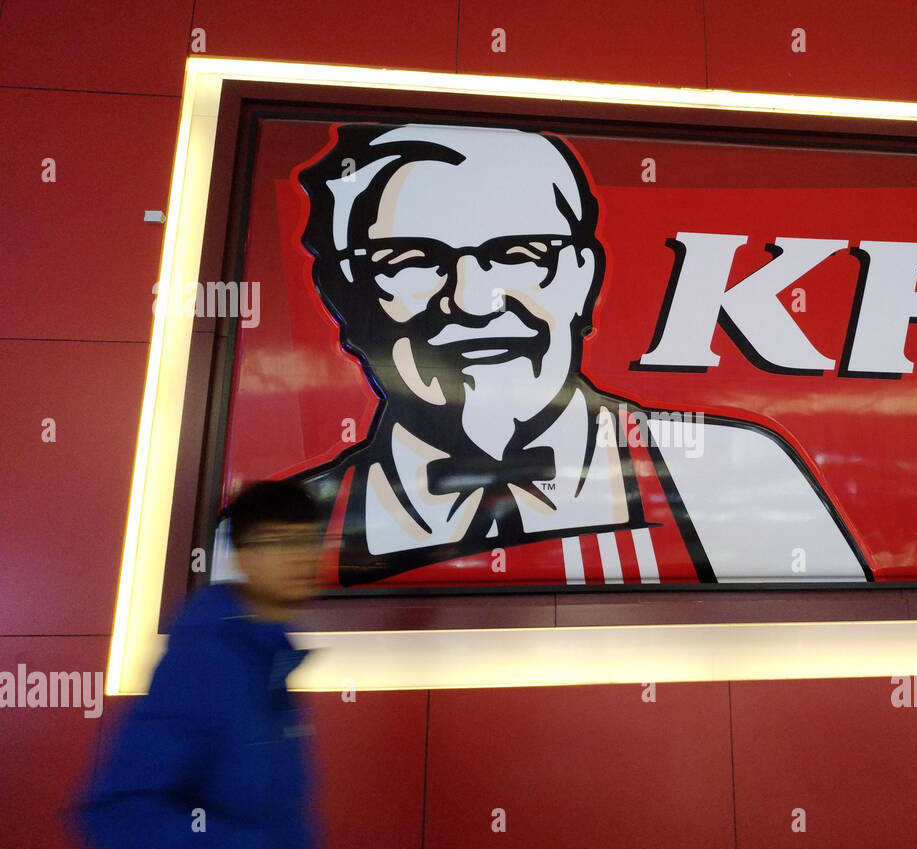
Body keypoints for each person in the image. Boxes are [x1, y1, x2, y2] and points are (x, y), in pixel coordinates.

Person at [274, 122, 871, 589]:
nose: (475, 302)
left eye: (520, 254)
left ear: (582, 279)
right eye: (409, 262)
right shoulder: (285, 530)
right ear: (344, 298)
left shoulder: (730, 469)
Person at [77, 480, 325, 849]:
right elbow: (119, 811)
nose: (298, 557)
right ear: (241, 556)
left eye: (307, 540)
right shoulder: (201, 660)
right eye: (278, 541)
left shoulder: (272, 658)